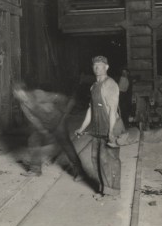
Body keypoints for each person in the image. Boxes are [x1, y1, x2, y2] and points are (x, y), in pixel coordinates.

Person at [11, 82, 85, 180]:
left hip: (57, 121)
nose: (15, 95)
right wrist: (42, 130)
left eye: (16, 92)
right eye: (14, 93)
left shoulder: (37, 94)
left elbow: (60, 98)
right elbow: (33, 119)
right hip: (45, 124)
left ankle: (80, 173)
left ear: (22, 91)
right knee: (33, 140)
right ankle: (35, 170)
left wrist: (62, 112)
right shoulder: (23, 105)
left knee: (66, 144)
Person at [74, 55, 124, 199]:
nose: (97, 68)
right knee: (96, 159)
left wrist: (111, 132)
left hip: (109, 128)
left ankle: (112, 192)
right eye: (95, 65)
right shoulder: (94, 86)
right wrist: (82, 128)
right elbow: (91, 109)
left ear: (106, 67)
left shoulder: (110, 84)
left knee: (109, 161)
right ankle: (103, 189)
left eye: (100, 65)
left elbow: (112, 110)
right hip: (97, 129)